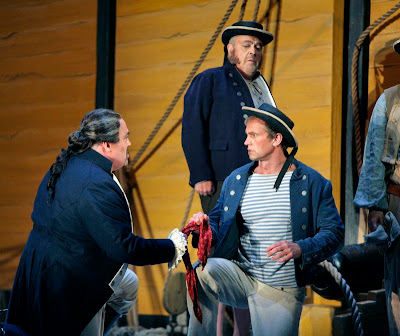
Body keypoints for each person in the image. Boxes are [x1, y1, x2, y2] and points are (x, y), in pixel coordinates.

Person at [4, 109, 187, 336]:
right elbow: (123, 247)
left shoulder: (70, 163)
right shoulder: (95, 183)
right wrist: (171, 248)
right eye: (125, 137)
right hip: (64, 280)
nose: (129, 143)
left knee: (128, 284)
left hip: (44, 266)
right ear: (106, 145)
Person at [186, 103, 344, 336]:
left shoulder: (311, 182)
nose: (245, 142)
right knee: (200, 272)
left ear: (276, 139)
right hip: (240, 276)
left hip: (280, 288)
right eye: (246, 135)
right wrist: (203, 227)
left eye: (253, 135)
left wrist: (301, 247)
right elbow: (217, 225)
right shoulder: (236, 180)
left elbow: (334, 233)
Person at [182, 20, 276, 214]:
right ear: (230, 49)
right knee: (224, 238)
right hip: (222, 175)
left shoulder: (261, 86)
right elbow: (193, 126)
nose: (253, 51)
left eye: (258, 47)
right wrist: (200, 174)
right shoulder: (210, 79)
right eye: (247, 45)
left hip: (261, 176)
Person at [354, 39, 400, 336]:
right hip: (399, 201)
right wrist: (375, 208)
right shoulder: (390, 100)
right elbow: (373, 158)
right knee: (397, 279)